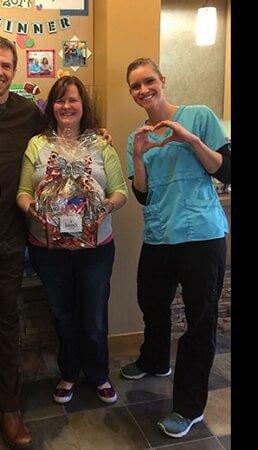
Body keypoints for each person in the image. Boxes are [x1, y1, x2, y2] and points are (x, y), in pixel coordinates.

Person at [0, 36, 112, 450]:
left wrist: (95, 134)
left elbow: (59, 140)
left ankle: (9, 407)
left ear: (14, 71)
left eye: (5, 65)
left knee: (4, 317)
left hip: (9, 234)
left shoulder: (27, 113)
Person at [120, 58, 231, 438]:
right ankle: (154, 360)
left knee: (199, 322)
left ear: (162, 80)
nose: (143, 90)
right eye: (135, 86)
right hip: (159, 236)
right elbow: (143, 195)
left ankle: (189, 407)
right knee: (150, 301)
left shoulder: (198, 117)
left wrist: (191, 139)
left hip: (201, 235)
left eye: (148, 81)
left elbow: (226, 170)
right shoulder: (137, 136)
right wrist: (137, 155)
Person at [16, 75, 128, 406]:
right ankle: (68, 372)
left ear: (83, 106)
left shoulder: (101, 144)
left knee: (93, 316)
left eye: (73, 100)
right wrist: (32, 210)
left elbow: (120, 190)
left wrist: (108, 206)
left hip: (95, 248)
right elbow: (23, 191)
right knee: (62, 315)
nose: (67, 106)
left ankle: (98, 374)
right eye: (60, 100)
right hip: (48, 248)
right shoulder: (37, 144)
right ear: (52, 106)